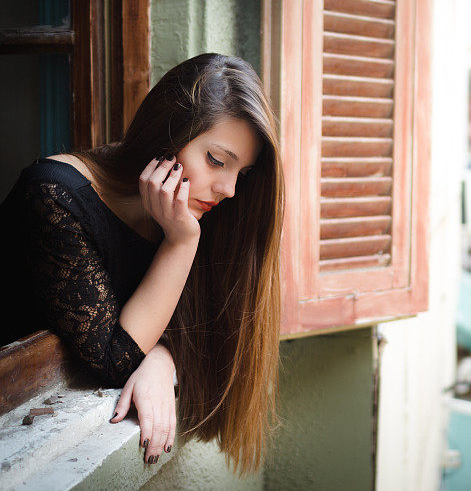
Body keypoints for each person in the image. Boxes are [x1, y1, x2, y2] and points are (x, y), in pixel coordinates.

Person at [0, 53, 284, 475]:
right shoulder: (53, 196)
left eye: (242, 172)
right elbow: (112, 361)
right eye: (217, 161)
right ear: (168, 134)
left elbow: (213, 322)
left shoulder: (199, 209)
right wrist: (182, 243)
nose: (228, 189)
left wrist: (163, 357)